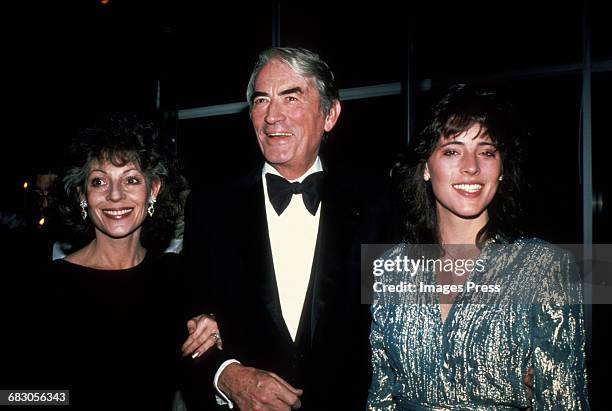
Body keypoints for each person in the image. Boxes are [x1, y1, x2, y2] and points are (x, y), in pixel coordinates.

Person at [181, 47, 397, 410]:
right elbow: (181, 314)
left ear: (330, 114)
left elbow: (402, 322)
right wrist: (227, 376)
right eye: (261, 100)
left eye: (291, 97)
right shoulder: (210, 206)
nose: (272, 117)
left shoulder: (378, 204)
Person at [367, 85, 589, 409]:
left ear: (501, 169)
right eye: (452, 151)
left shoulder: (545, 267)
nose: (471, 167)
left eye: (486, 151)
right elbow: (380, 396)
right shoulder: (392, 268)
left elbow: (565, 402)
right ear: (426, 167)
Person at [28, 115, 221, 410]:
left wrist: (215, 333)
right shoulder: (44, 286)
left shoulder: (175, 278)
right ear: (83, 195)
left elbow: (197, 377)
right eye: (99, 181)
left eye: (131, 179)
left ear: (153, 189)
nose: (115, 195)